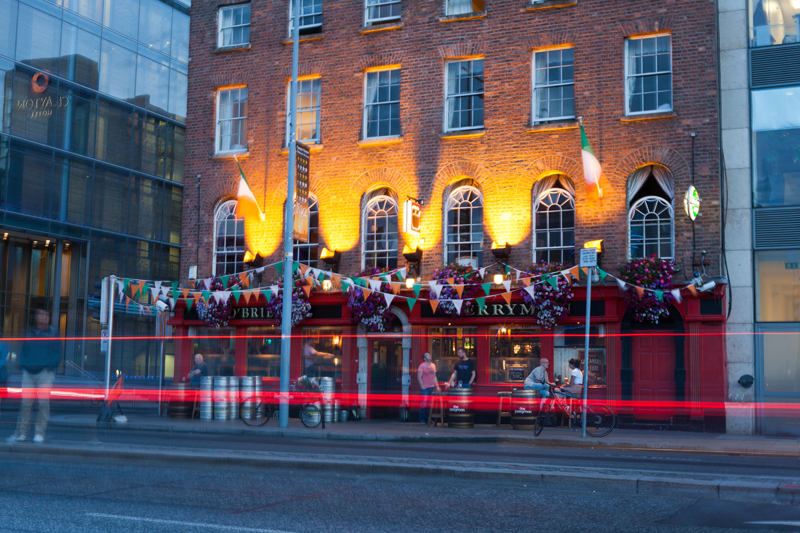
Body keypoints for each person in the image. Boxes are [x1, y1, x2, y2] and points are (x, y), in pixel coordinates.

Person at [6, 309, 62, 444]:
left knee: (43, 403)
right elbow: (22, 350)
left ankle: (39, 433)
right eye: (41, 314)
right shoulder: (28, 333)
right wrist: (23, 365)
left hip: (44, 372)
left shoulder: (53, 333)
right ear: (35, 317)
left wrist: (49, 367)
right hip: (29, 372)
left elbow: (57, 353)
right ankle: (21, 433)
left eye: (46, 315)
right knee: (26, 404)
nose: (43, 317)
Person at [417, 352, 440, 425]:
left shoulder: (433, 365)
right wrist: (422, 386)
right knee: (424, 404)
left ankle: (428, 419)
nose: (430, 356)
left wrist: (437, 386)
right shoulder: (422, 366)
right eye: (427, 355)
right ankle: (422, 419)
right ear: (424, 358)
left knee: (430, 405)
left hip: (431, 387)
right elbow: (419, 377)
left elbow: (434, 377)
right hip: (425, 388)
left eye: (429, 355)